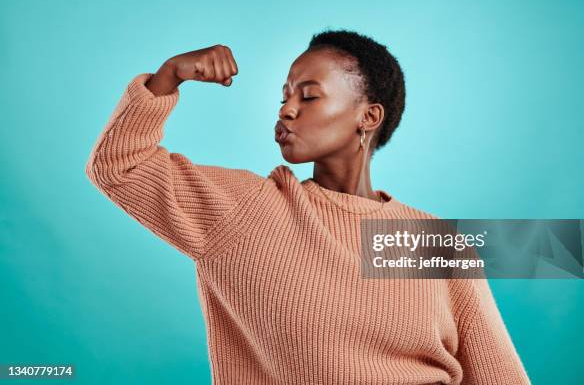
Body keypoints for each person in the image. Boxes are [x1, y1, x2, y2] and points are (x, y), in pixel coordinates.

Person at [85, 29, 531, 384]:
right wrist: (168, 77)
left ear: (368, 117)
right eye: (284, 96)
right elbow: (119, 165)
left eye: (308, 95)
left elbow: (499, 376)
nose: (286, 111)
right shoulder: (248, 210)